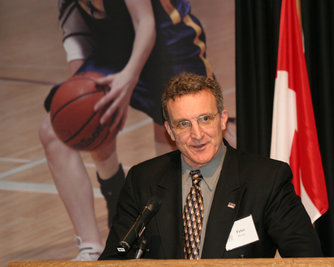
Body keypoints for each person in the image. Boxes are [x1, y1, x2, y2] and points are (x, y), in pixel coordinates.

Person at [39, 0, 217, 261]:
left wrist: (129, 79)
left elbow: (145, 22)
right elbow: (76, 47)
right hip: (114, 47)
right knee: (53, 130)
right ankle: (93, 240)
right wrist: (85, 102)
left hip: (166, 38)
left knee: (179, 133)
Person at [98, 72, 323, 260]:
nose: (197, 134)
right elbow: (114, 259)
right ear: (169, 130)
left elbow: (307, 259)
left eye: (205, 119)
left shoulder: (266, 179)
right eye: (183, 124)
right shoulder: (143, 180)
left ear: (223, 119)